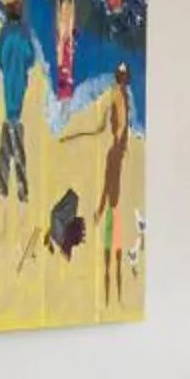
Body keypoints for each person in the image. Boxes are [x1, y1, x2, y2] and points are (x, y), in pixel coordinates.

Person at [60, 61, 133, 303]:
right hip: (114, 207)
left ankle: (115, 299)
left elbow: (116, 127)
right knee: (112, 256)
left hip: (114, 209)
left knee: (113, 256)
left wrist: (101, 210)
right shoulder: (119, 97)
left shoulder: (121, 97)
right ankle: (115, 299)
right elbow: (111, 126)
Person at [0, 0, 37, 204]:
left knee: (7, 137)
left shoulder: (3, 33)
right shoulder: (22, 33)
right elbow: (30, 58)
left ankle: (2, 186)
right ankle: (21, 191)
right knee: (15, 137)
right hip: (17, 90)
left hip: (9, 90)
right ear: (17, 5)